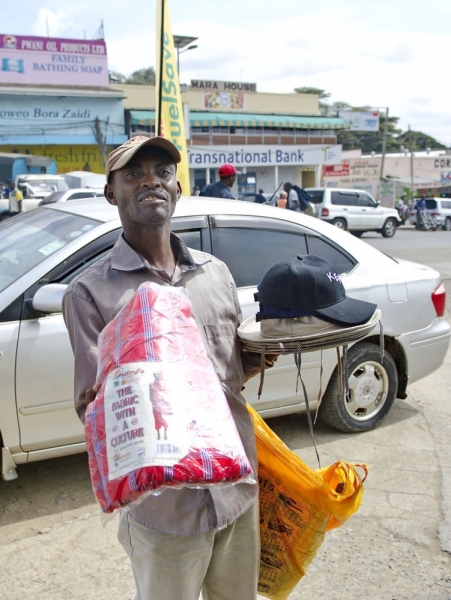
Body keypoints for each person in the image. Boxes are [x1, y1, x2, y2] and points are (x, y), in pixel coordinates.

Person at [62, 136, 276, 600]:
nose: (150, 182)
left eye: (161, 172)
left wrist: (261, 354)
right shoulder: (91, 293)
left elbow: (230, 373)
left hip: (236, 491)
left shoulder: (214, 273)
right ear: (111, 193)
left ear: (177, 189)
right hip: (165, 513)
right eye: (133, 174)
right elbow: (92, 407)